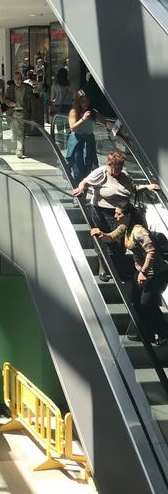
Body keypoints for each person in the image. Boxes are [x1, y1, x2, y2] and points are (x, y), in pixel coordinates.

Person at [73, 151, 160, 280]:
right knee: (104, 239)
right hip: (102, 211)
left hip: (122, 213)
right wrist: (81, 189)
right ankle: (103, 267)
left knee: (120, 243)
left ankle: (118, 269)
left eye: (121, 167)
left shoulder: (124, 175)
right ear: (109, 164)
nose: (118, 170)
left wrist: (148, 186)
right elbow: (85, 182)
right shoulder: (101, 173)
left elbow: (133, 188)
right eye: (116, 167)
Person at [91, 202, 168, 344]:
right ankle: (148, 332)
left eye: (118, 213)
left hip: (157, 273)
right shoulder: (125, 227)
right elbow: (112, 236)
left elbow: (151, 252)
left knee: (147, 302)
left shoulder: (139, 231)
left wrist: (143, 272)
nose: (115, 216)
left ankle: (164, 333)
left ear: (128, 215)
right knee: (135, 299)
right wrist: (101, 234)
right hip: (141, 271)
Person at [65, 90, 99, 184]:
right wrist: (83, 119)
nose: (85, 104)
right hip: (77, 142)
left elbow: (105, 122)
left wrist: (117, 130)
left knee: (89, 168)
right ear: (78, 102)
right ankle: (77, 193)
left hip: (89, 141)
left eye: (87, 101)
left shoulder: (92, 112)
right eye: (83, 102)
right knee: (78, 169)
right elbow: (72, 127)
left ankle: (83, 192)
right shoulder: (74, 112)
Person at [4, 70, 32, 159]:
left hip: (23, 113)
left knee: (21, 132)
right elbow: (6, 99)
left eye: (19, 79)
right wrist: (10, 103)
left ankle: (19, 150)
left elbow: (32, 101)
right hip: (13, 113)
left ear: (22, 79)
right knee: (15, 133)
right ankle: (21, 148)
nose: (18, 81)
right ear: (14, 79)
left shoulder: (28, 89)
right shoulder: (10, 89)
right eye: (16, 79)